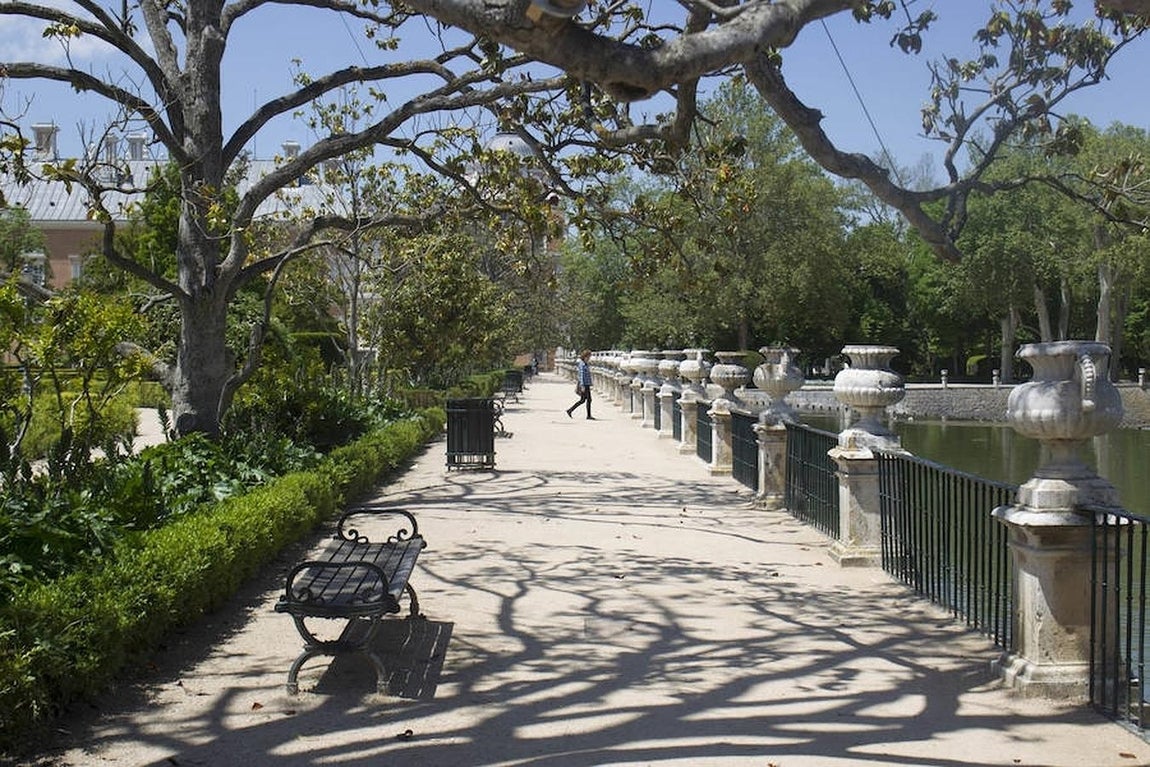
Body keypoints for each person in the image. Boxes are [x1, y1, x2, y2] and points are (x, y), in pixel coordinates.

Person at [566, 349, 594, 419]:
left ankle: (570, 410)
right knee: (588, 400)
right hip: (584, 384)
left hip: (587, 383)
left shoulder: (585, 364)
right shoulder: (582, 364)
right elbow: (581, 375)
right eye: (588, 357)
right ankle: (588, 415)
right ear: (585, 356)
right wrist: (582, 385)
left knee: (583, 400)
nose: (589, 358)